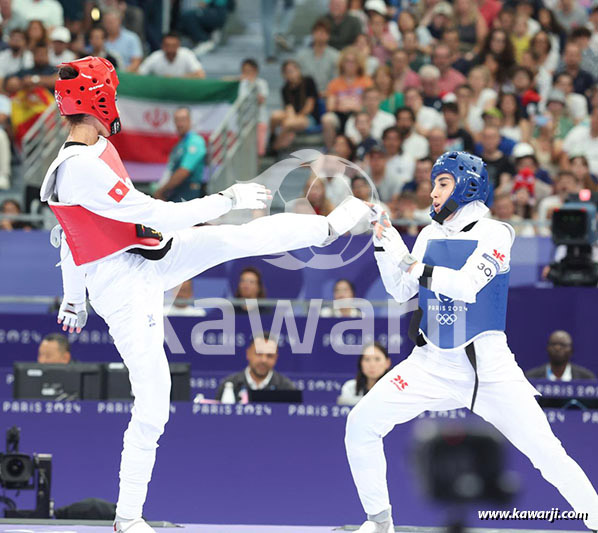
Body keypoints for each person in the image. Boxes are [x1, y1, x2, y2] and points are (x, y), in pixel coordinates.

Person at [41, 56, 374, 533]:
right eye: (111, 91)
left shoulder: (98, 149)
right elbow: (142, 217)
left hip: (150, 252)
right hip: (120, 283)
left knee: (237, 238)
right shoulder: (74, 169)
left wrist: (73, 297)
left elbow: (74, 234)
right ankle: (127, 518)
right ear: (98, 99)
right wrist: (227, 199)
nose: (116, 99)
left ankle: (328, 225)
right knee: (153, 402)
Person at [345, 151, 598, 533]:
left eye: (442, 183)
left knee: (548, 455)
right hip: (430, 363)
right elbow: (401, 291)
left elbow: (464, 287)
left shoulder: (496, 233)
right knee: (360, 424)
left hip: (488, 370)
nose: (432, 192)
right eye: (433, 184)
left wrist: (410, 262)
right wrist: (385, 241)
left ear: (468, 185)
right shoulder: (429, 234)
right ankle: (379, 522)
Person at [215, 332, 296, 402]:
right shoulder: (230, 385)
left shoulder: (286, 388)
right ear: (248, 354)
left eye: (269, 355)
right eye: (259, 354)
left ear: (276, 358)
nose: (263, 360)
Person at [153, 107, 207, 202]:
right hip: (174, 191)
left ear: (190, 121)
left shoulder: (195, 142)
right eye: (177, 120)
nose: (179, 124)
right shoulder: (178, 146)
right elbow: (170, 170)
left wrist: (162, 190)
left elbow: (183, 171)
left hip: (188, 193)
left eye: (183, 120)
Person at [269, 60, 318, 152]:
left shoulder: (308, 81)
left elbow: (309, 106)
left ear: (299, 70)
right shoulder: (285, 89)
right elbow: (289, 108)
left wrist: (294, 119)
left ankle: (274, 147)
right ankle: (272, 136)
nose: (291, 74)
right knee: (275, 116)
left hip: (308, 117)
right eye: (287, 72)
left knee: (288, 123)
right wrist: (292, 118)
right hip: (294, 116)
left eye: (293, 71)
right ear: (284, 75)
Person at [526, 331, 596, 381]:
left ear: (571, 350)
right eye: (553, 344)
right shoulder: (531, 377)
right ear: (547, 348)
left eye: (563, 345)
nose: (557, 348)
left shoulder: (586, 378)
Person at [296, 18, 340, 98]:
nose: (320, 34)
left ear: (328, 35)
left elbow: (337, 79)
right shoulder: (301, 56)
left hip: (329, 97)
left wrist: (326, 92)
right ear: (312, 34)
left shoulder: (336, 56)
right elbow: (297, 79)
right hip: (305, 97)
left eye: (323, 32)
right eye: (318, 31)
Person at [137, 32, 205, 78]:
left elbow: (200, 75)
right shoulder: (155, 56)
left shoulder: (187, 54)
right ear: (162, 46)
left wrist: (175, 78)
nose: (170, 49)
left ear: (179, 45)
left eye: (173, 46)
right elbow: (139, 74)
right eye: (167, 45)